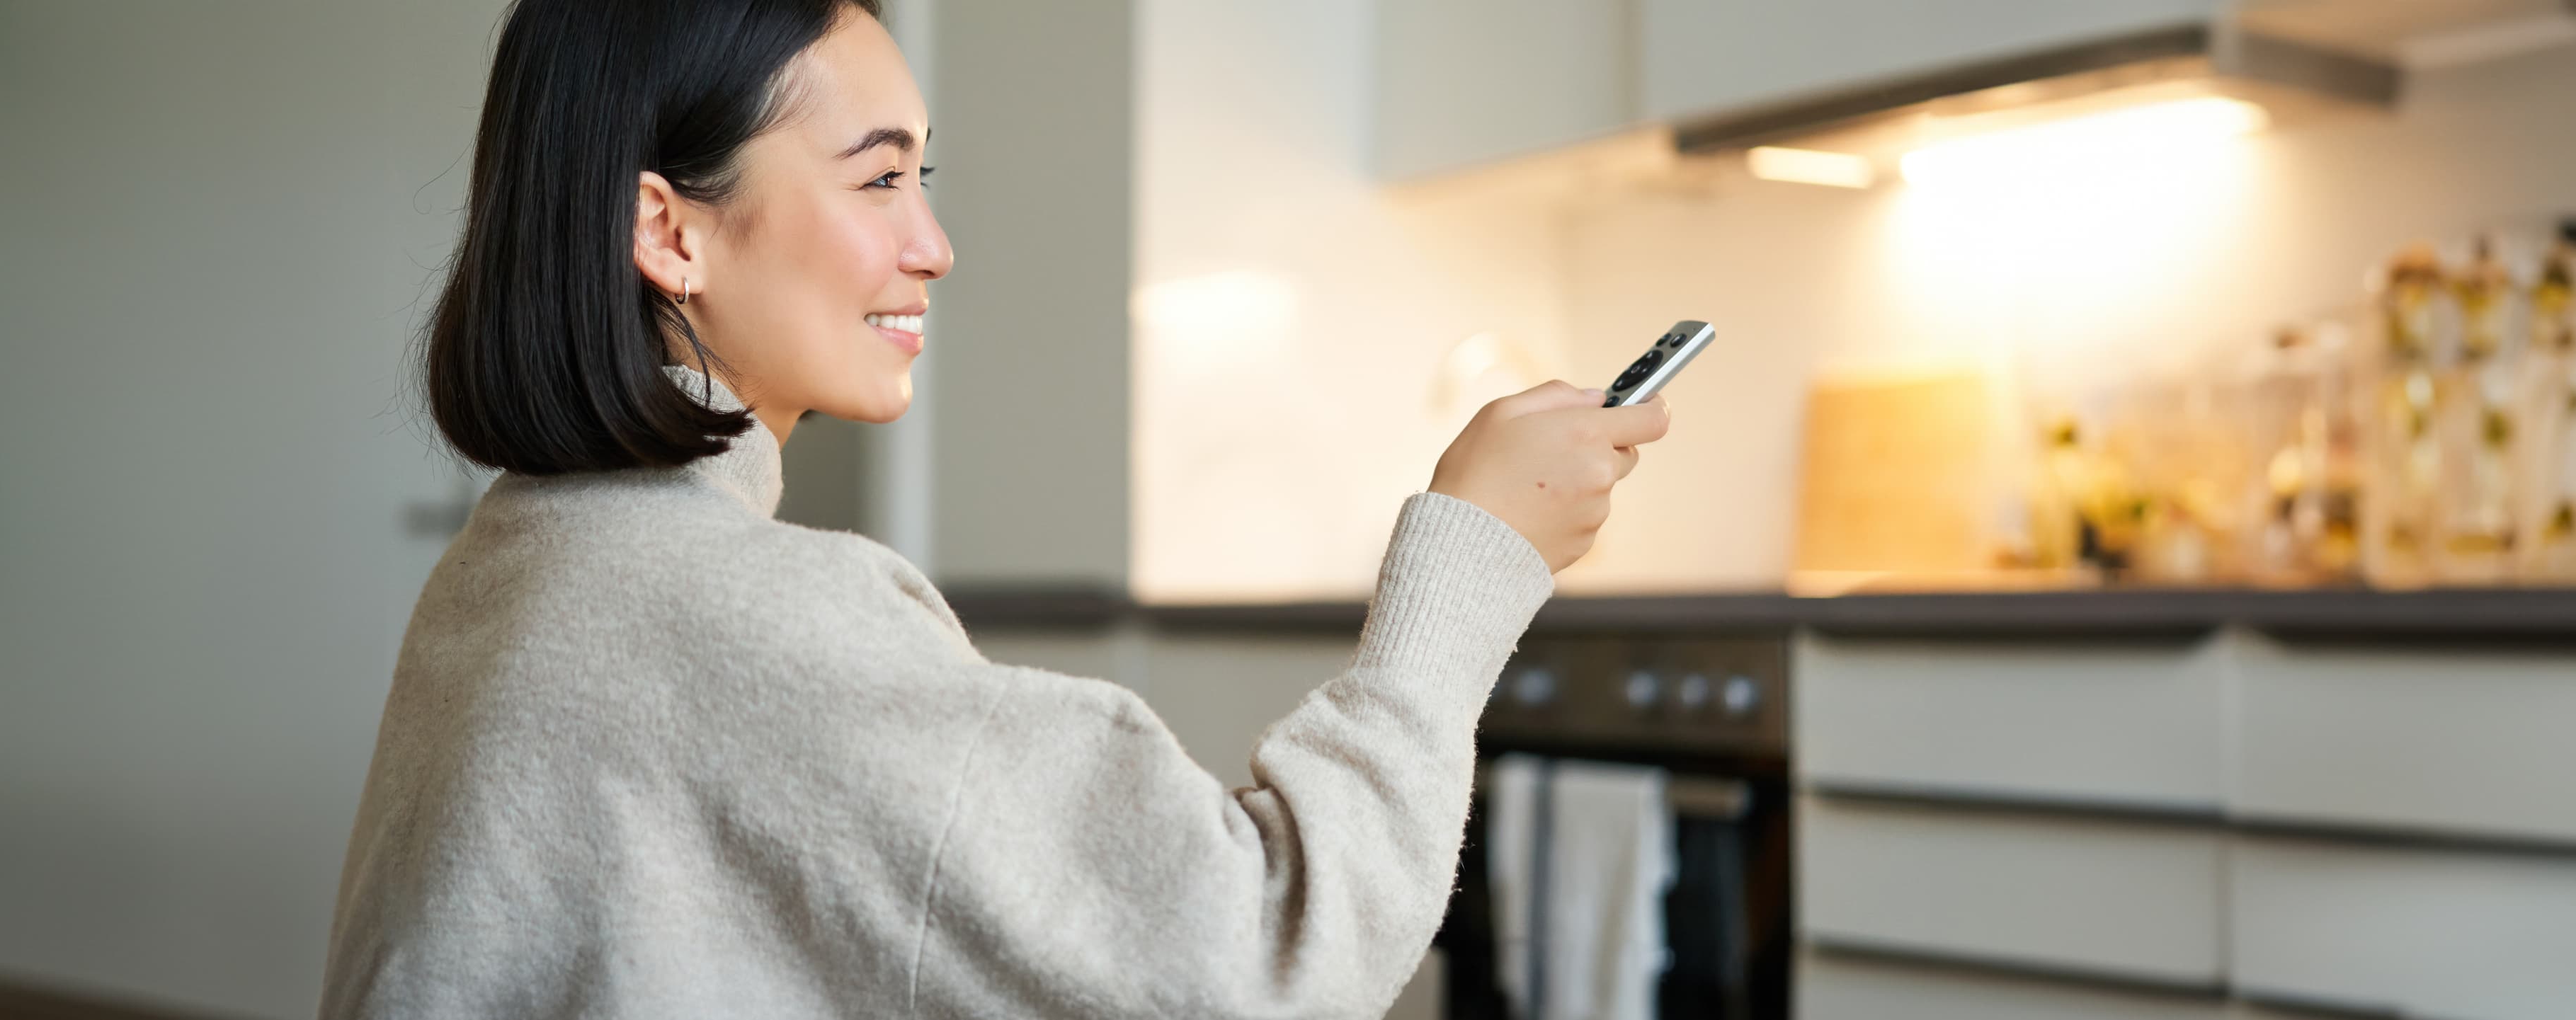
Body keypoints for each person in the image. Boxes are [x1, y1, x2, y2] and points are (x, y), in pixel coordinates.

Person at [319, 1, 1671, 1016]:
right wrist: (1473, 559)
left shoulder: (509, 565)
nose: (933, 243)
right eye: (876, 175)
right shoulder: (750, 620)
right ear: (670, 232)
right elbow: (1259, 951)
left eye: (927, 175)